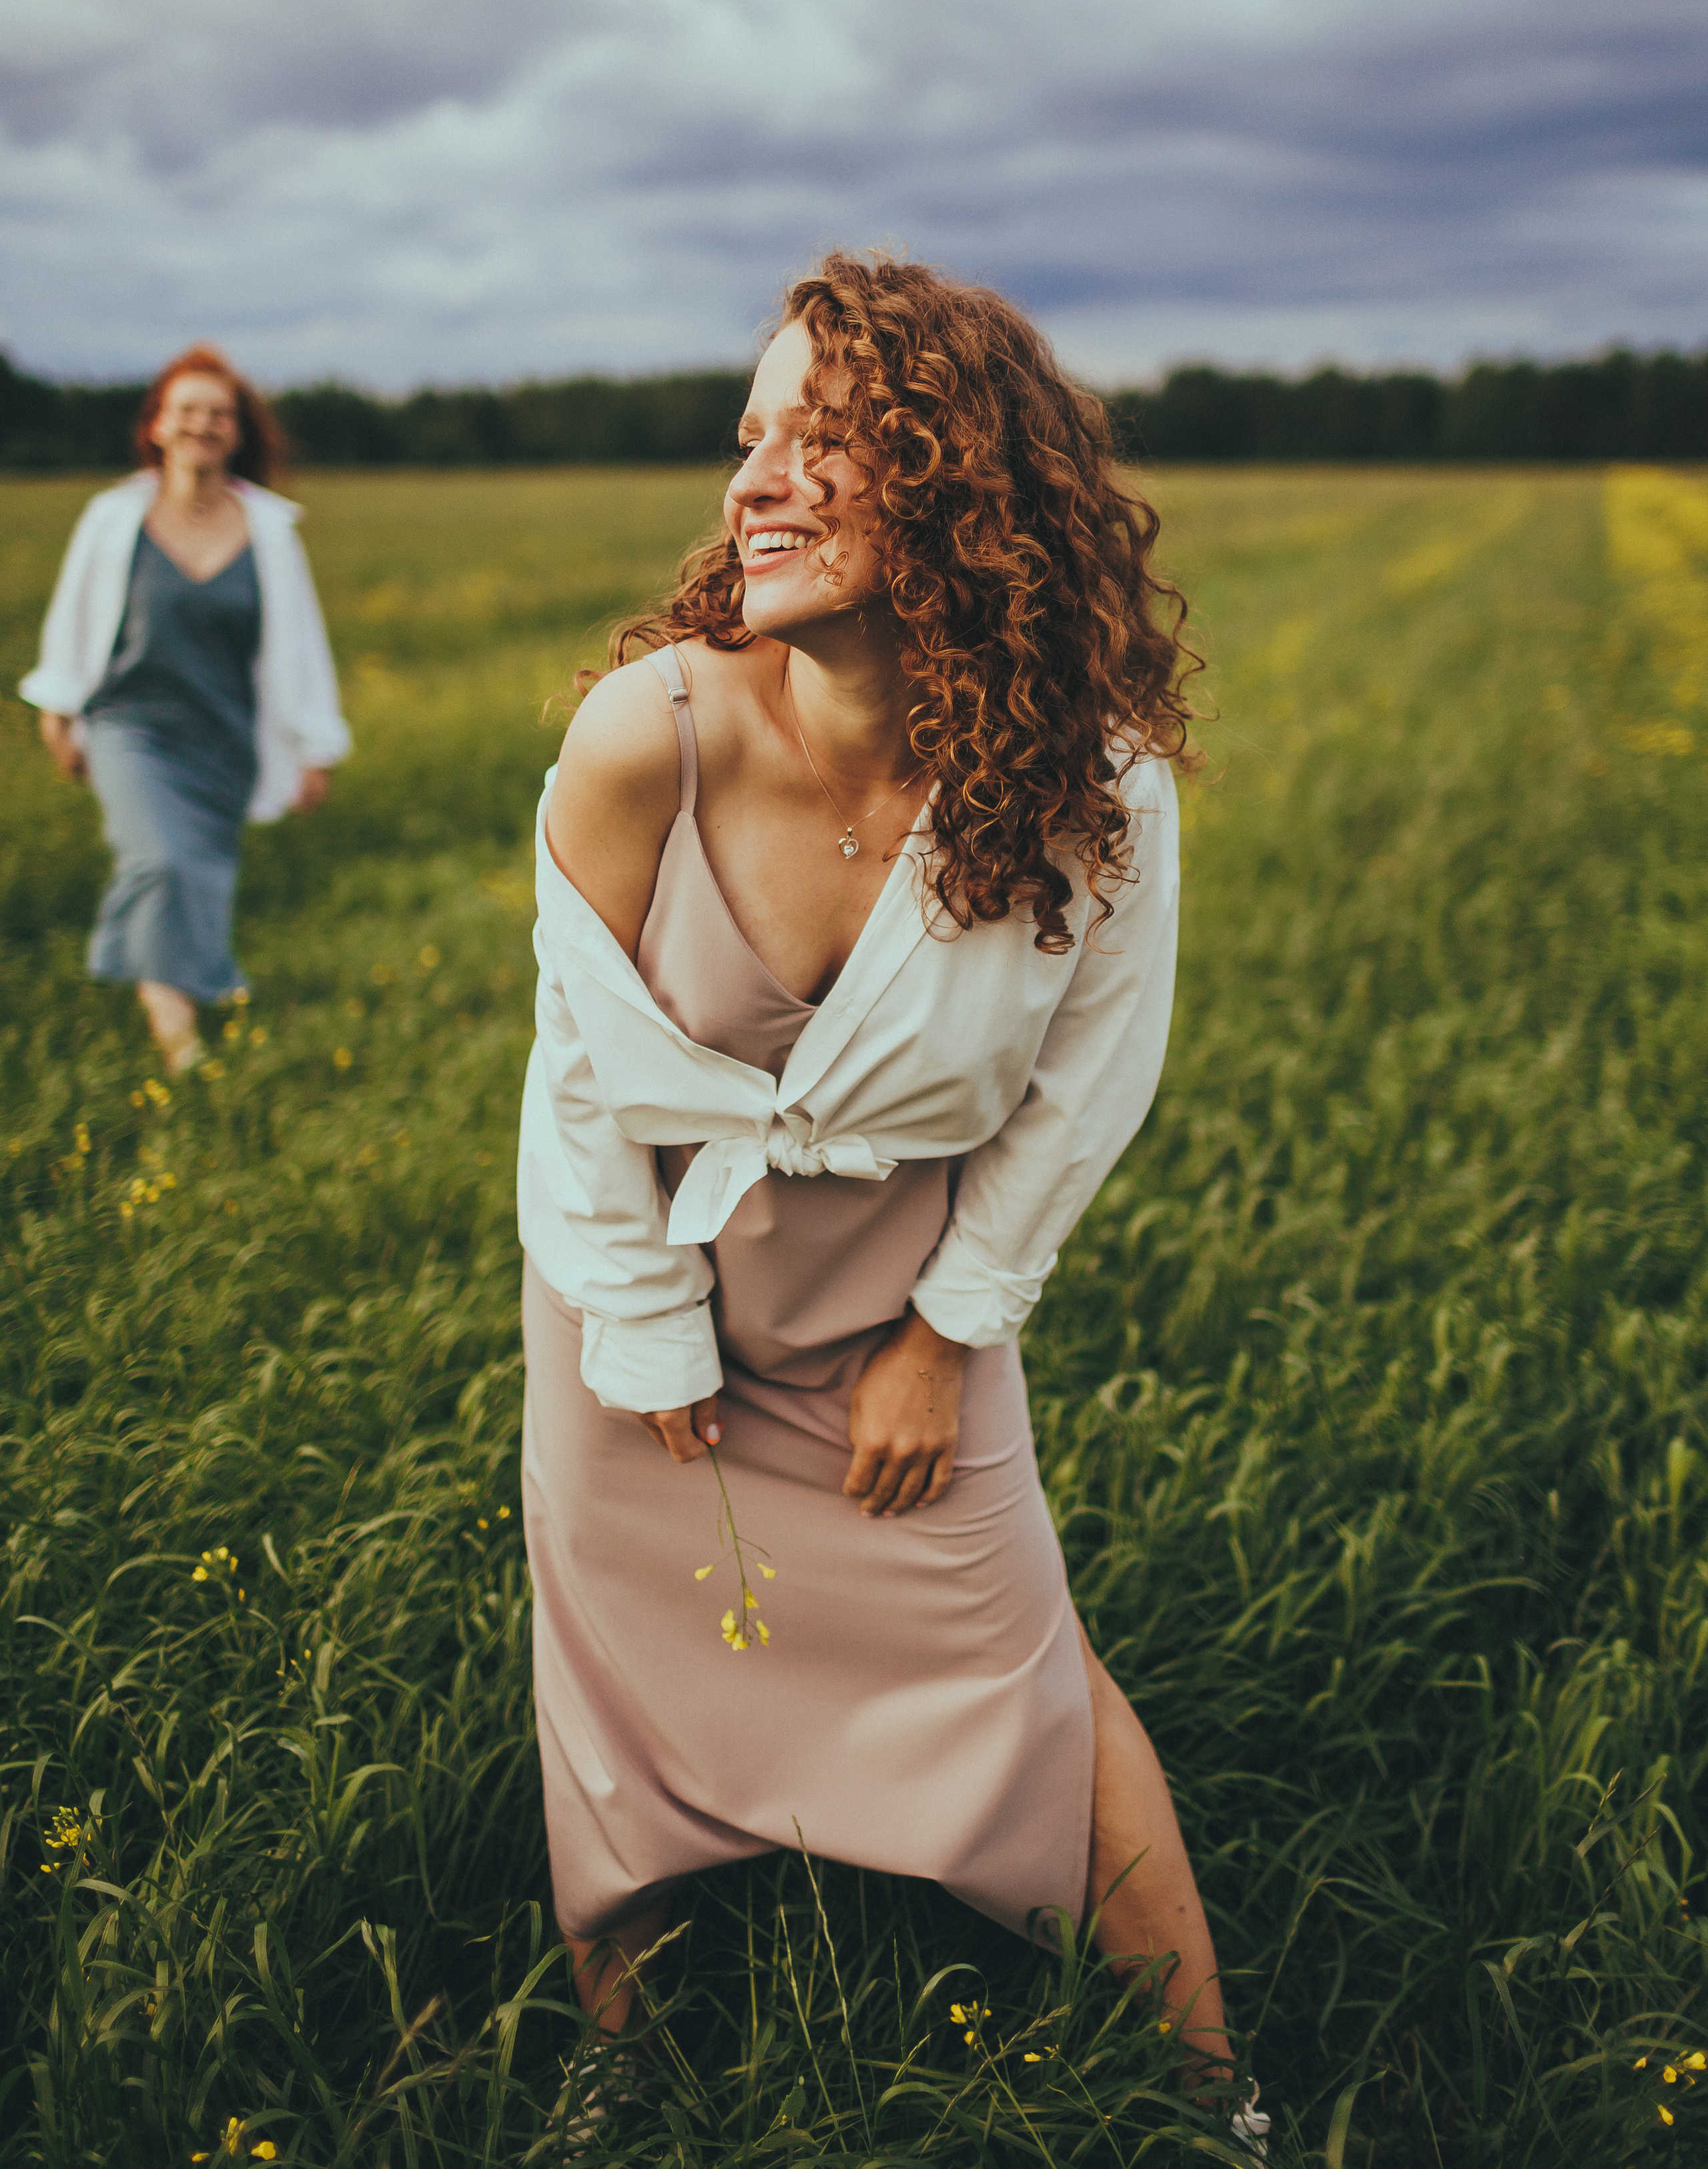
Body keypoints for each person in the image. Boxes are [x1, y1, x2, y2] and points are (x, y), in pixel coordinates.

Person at [518, 254, 1266, 2149]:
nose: (757, 477)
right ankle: (625, 2071)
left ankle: (1211, 2091)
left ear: (959, 476)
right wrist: (640, 1314)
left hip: (900, 1302)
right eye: (747, 435)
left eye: (825, 435)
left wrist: (948, 1334)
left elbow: (1086, 1097)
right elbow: (577, 1065)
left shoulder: (1100, 796)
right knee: (623, 1673)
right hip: (644, 1293)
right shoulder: (648, 734)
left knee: (1021, 1663)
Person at [20, 344, 349, 1073]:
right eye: (188, 409)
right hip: (128, 728)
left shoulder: (268, 530)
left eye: (219, 413)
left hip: (224, 738)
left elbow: (300, 644)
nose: (203, 423)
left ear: (237, 432)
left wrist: (314, 748)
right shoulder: (113, 518)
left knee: (197, 877)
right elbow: (72, 617)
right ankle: (181, 1043)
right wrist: (57, 712)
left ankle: (171, 990)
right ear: (159, 425)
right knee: (161, 860)